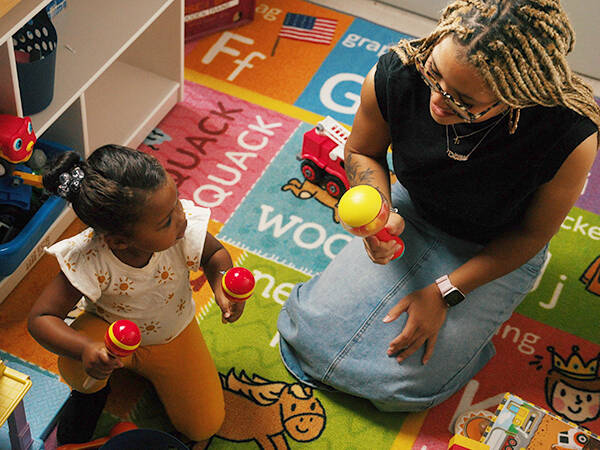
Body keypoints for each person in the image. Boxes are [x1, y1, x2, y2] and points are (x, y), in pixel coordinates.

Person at [277, 0, 600, 412]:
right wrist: (378, 210)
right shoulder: (396, 72)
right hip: (412, 208)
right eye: (434, 75)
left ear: (517, 97)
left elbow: (532, 234)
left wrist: (445, 292)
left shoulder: (568, 134)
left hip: (497, 244)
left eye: (464, 101)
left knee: (402, 387)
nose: (438, 99)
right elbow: (361, 150)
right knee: (310, 337)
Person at [28, 145, 244, 447]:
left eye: (177, 203)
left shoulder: (182, 230)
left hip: (172, 336)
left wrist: (222, 288)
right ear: (119, 241)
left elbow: (215, 254)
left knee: (203, 427)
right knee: (76, 369)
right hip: (110, 339)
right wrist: (86, 348)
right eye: (166, 221)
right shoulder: (91, 257)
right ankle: (93, 391)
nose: (182, 218)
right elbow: (41, 318)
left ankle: (127, 374)